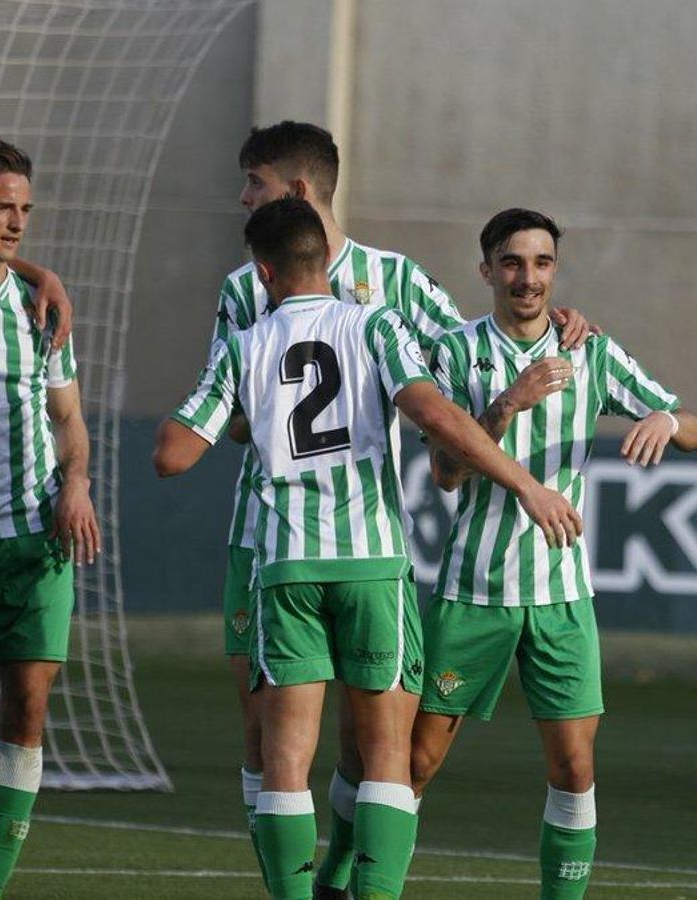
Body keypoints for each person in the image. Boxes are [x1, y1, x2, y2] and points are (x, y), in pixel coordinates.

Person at [206, 122, 595, 895]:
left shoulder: (398, 282)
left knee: (366, 736)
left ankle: (340, 878)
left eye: (253, 183)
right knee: (265, 737)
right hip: (264, 536)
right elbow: (226, 413)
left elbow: (471, 359)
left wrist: (561, 329)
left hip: (364, 538)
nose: (243, 198)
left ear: (297, 190)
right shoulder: (244, 285)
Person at [412, 208, 697, 899]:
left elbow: (695, 427)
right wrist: (505, 406)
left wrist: (665, 418)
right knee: (417, 761)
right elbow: (445, 475)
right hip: (474, 593)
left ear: (556, 272)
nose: (528, 277)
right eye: (512, 263)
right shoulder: (455, 353)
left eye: (542, 263)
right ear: (486, 271)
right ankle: (358, 884)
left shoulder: (590, 352)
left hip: (562, 598)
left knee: (575, 767)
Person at [0, 141, 99, 900]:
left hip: (40, 539)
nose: (11, 222)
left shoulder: (39, 307)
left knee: (28, 707)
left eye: (22, 209)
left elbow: (68, 418)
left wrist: (76, 482)